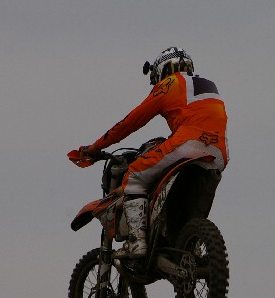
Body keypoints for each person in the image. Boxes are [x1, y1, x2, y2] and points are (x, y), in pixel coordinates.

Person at [76, 47, 229, 259]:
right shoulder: (208, 84)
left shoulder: (169, 84)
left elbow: (131, 121)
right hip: (219, 151)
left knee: (135, 175)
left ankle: (136, 242)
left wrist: (95, 147)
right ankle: (188, 244)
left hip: (188, 142)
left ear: (162, 70)